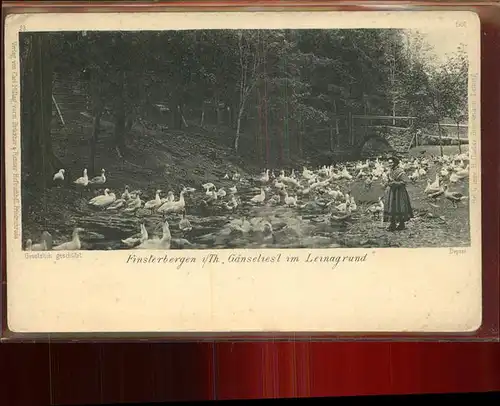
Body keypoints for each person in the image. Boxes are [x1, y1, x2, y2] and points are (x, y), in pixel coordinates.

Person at [383, 156, 413, 231]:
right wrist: (387, 183)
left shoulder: (400, 171)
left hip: (399, 192)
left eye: (391, 163)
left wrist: (395, 183)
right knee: (391, 206)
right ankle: (392, 224)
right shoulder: (390, 171)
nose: (389, 164)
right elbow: (388, 181)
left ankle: (401, 224)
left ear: (395, 163)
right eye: (389, 163)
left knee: (399, 206)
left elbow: (405, 181)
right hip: (392, 192)